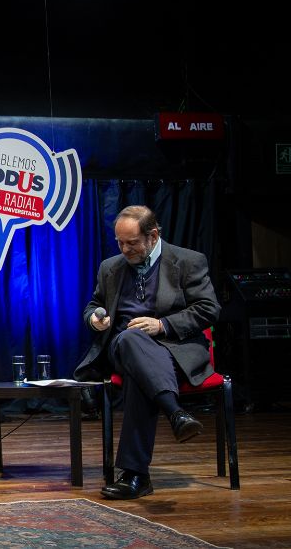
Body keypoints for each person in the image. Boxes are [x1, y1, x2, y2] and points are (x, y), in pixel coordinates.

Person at [74, 205, 220, 500]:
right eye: (120, 242)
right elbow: (94, 305)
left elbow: (209, 309)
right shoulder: (110, 268)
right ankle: (175, 413)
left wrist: (162, 324)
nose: (125, 249)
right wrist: (95, 318)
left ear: (153, 236)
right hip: (124, 346)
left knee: (137, 376)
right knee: (129, 339)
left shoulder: (188, 261)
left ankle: (136, 476)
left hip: (175, 351)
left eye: (132, 243)